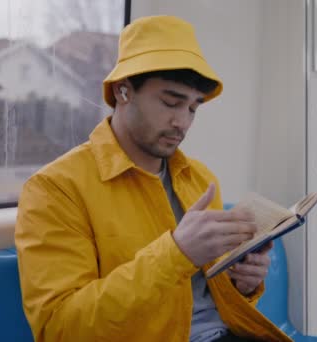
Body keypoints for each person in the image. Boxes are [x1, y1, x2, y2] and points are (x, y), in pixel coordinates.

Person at [15, 15, 291, 342]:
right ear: (123, 92)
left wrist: (241, 284)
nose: (182, 123)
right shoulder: (56, 189)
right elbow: (60, 328)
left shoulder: (199, 179)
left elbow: (206, 296)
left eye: (192, 108)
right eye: (171, 102)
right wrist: (175, 254)